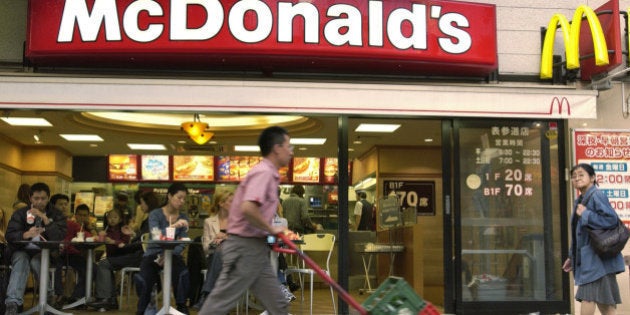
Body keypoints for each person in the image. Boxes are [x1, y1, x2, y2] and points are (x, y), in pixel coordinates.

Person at [199, 126, 293, 315]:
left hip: (255, 249)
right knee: (219, 304)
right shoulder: (264, 172)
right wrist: (272, 229)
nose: (291, 151)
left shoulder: (269, 173)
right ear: (277, 148)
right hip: (244, 249)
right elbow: (248, 207)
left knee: (278, 303)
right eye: (288, 146)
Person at [563, 163, 625, 315]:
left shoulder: (596, 195)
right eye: (574, 176)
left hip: (597, 259)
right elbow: (579, 234)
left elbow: (611, 220)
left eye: (581, 174)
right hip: (592, 258)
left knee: (588, 297)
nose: (576, 178)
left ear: (592, 178)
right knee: (605, 303)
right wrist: (572, 256)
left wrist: (586, 215)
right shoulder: (580, 200)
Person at [4, 182, 67, 315]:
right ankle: (13, 304)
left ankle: (48, 297)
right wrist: (26, 234)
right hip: (22, 249)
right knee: (21, 259)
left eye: (43, 198)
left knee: (36, 261)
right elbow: (10, 235)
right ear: (30, 199)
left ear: (48, 198)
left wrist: (45, 219)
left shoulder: (56, 214)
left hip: (47, 252)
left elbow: (59, 236)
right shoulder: (21, 213)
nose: (39, 202)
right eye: (36, 198)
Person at [88, 191, 157, 310]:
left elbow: (142, 242)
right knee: (108, 262)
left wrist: (124, 245)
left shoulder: (151, 218)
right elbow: (144, 239)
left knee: (104, 263)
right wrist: (133, 234)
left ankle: (106, 298)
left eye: (141, 203)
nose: (140, 207)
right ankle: (110, 299)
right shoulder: (152, 217)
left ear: (147, 203)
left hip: (141, 257)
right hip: (144, 255)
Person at [134, 183, 191, 315]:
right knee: (143, 279)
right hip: (153, 254)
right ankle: (142, 309)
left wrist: (169, 255)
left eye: (184, 199)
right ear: (169, 196)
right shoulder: (155, 214)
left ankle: (181, 307)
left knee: (183, 275)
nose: (182, 202)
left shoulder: (183, 217)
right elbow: (155, 236)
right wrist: (174, 226)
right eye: (179, 197)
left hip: (173, 255)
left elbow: (183, 241)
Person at [191, 190, 233, 310]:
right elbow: (205, 248)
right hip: (215, 257)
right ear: (221, 203)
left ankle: (207, 294)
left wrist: (226, 237)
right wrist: (215, 238)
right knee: (219, 252)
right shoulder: (209, 222)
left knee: (221, 250)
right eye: (231, 201)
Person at [54, 203, 94, 307]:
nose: (82, 217)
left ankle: (76, 297)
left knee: (92, 269)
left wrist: (90, 228)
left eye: (85, 215)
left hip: (73, 255)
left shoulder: (74, 225)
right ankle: (60, 295)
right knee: (58, 267)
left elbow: (88, 236)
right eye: (80, 215)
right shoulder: (68, 224)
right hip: (59, 254)